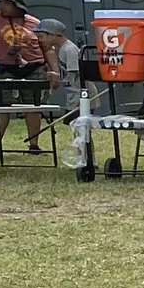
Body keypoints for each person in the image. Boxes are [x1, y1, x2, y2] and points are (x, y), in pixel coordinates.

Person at [0, 0, 51, 155]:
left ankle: (34, 145)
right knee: (2, 106)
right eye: (1, 2)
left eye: (6, 3)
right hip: (4, 67)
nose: (2, 6)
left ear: (18, 6)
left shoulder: (34, 23)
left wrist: (54, 71)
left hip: (33, 67)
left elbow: (46, 48)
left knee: (33, 106)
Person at [39, 19, 92, 174]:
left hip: (81, 96)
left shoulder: (69, 50)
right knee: (77, 130)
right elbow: (67, 75)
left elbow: (77, 76)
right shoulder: (61, 49)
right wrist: (56, 76)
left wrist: (81, 101)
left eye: (43, 36)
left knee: (82, 130)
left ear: (53, 35)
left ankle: (88, 161)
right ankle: (84, 159)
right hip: (73, 95)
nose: (41, 40)